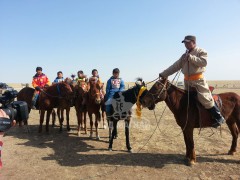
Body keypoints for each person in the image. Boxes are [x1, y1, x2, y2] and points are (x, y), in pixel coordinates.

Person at [159, 35, 225, 128]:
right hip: (187, 82)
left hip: (198, 81)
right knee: (186, 100)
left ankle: (218, 117)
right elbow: (175, 66)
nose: (185, 44)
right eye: (184, 43)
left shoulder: (201, 51)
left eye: (187, 42)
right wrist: (163, 74)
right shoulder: (184, 56)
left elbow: (203, 62)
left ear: (193, 42)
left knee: (205, 98)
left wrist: (190, 57)